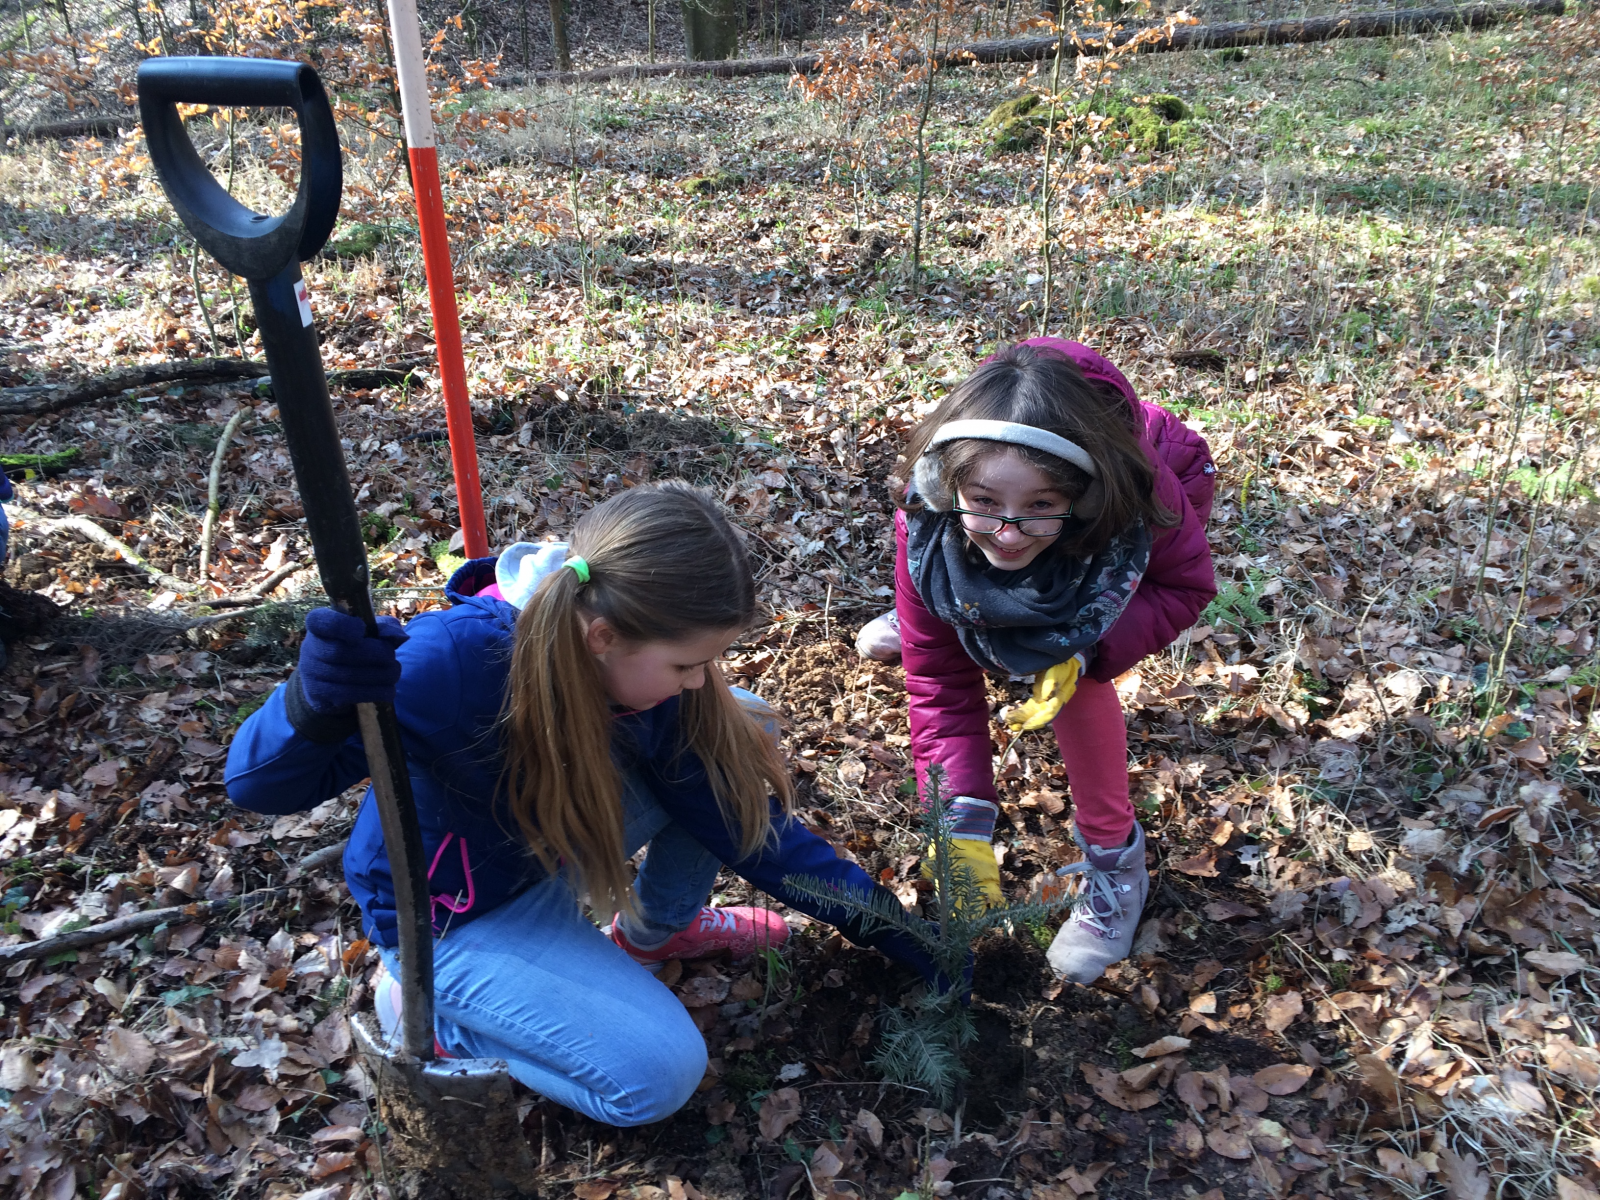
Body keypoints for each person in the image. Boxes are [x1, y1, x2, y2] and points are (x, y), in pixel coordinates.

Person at [226, 482, 937, 1127]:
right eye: (686, 663)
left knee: (738, 729)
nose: (696, 681)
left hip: (546, 849)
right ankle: (434, 1011)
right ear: (604, 637)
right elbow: (260, 787)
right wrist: (311, 703)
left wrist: (894, 931)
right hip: (453, 918)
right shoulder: (446, 670)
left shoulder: (638, 677)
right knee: (657, 1077)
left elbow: (749, 827)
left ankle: (651, 934)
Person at [857, 339, 1216, 986]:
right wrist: (958, 821)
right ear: (948, 483)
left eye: (1039, 506)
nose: (1009, 531)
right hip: (1006, 531)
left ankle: (1116, 865)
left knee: (1075, 677)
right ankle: (950, 611)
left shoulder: (1137, 502)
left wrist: (1087, 650)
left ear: (1076, 496)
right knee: (936, 631)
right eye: (985, 503)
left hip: (1124, 519)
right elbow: (939, 684)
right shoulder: (929, 517)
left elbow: (1182, 588)